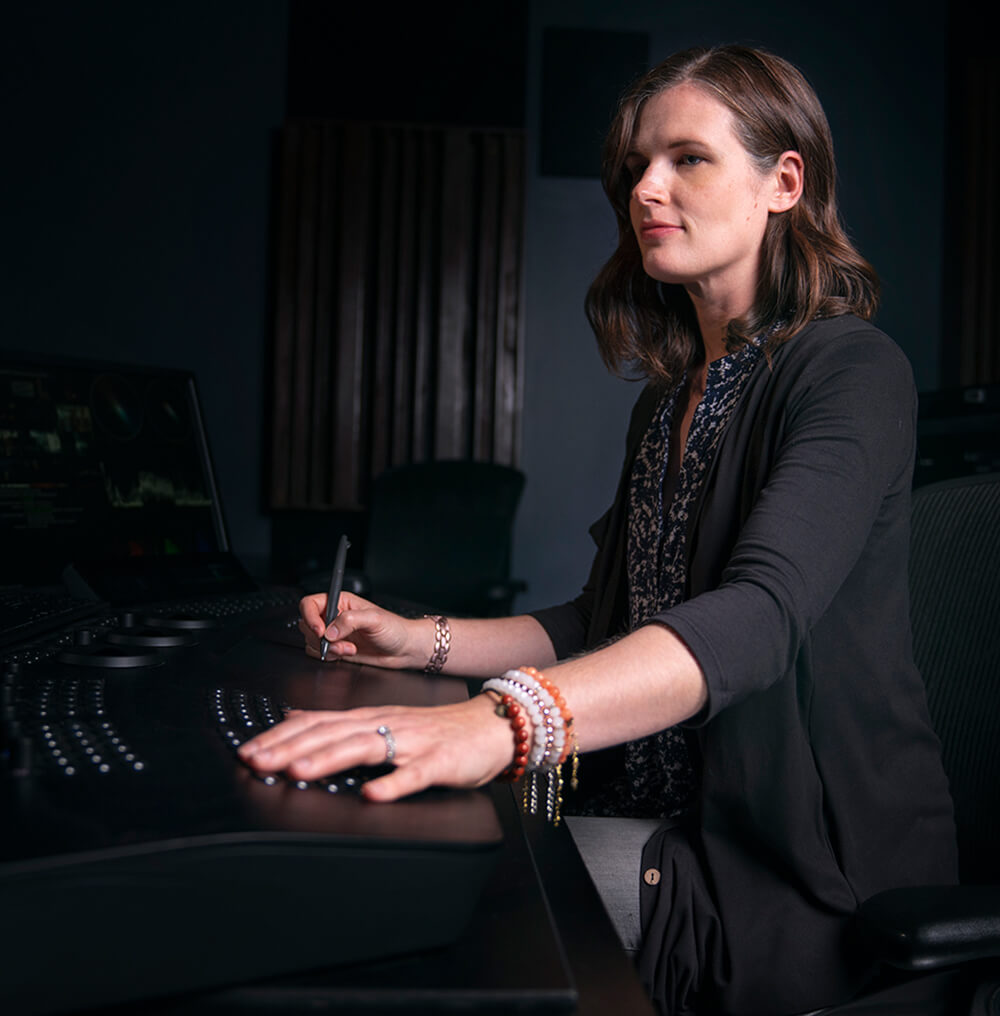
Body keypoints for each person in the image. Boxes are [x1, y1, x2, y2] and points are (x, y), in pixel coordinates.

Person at [240, 45, 957, 1016]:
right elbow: (605, 618)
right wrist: (423, 641)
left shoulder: (848, 370)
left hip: (783, 881)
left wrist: (501, 721)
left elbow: (754, 615)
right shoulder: (669, 400)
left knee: (447, 917)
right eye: (636, 168)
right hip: (652, 824)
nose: (646, 188)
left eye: (687, 158)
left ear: (783, 180)